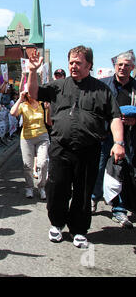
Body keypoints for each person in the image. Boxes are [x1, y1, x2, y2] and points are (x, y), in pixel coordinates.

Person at [26, 46, 125, 248]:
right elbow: (33, 92)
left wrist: (118, 143)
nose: (73, 65)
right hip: (61, 148)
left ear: (89, 65)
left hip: (88, 150)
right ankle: (56, 224)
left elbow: (115, 117)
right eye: (71, 62)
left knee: (83, 191)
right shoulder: (58, 86)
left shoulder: (102, 90)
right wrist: (33, 71)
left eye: (78, 62)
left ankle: (79, 229)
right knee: (57, 188)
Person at [91, 52, 136, 228]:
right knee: (100, 168)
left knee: (123, 173)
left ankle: (119, 208)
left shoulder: (134, 87)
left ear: (132, 67)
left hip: (128, 138)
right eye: (120, 65)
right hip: (104, 137)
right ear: (115, 65)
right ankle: (94, 198)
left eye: (127, 65)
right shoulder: (103, 85)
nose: (123, 68)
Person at [10, 90, 50, 200]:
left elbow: (49, 122)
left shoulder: (43, 104)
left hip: (42, 136)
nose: (31, 94)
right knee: (27, 165)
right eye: (28, 92)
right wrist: (19, 99)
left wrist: (48, 109)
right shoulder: (23, 105)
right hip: (27, 137)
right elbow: (13, 113)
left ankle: (41, 186)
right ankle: (29, 187)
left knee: (42, 163)